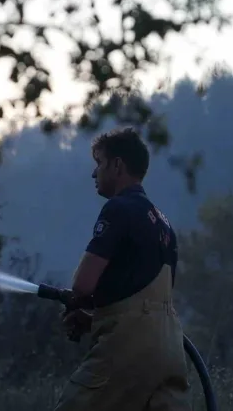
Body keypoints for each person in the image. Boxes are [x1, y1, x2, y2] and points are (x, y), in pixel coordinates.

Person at [53, 127, 190, 411]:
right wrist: (95, 319)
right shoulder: (163, 223)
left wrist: (78, 301)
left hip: (129, 350)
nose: (93, 173)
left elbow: (82, 286)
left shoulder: (118, 209)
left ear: (117, 166)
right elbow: (144, 300)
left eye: (99, 163)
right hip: (171, 349)